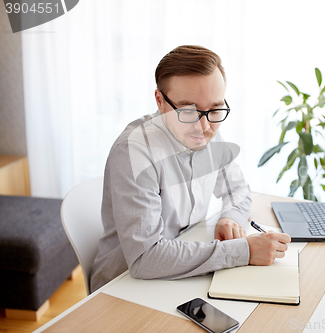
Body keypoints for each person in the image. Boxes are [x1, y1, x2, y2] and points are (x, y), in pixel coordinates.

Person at [90, 45, 291, 293]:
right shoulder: (134, 152)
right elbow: (146, 259)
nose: (204, 127)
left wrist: (230, 217)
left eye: (215, 109)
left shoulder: (205, 129)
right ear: (160, 101)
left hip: (183, 270)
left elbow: (238, 188)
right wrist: (245, 250)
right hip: (123, 288)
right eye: (188, 111)